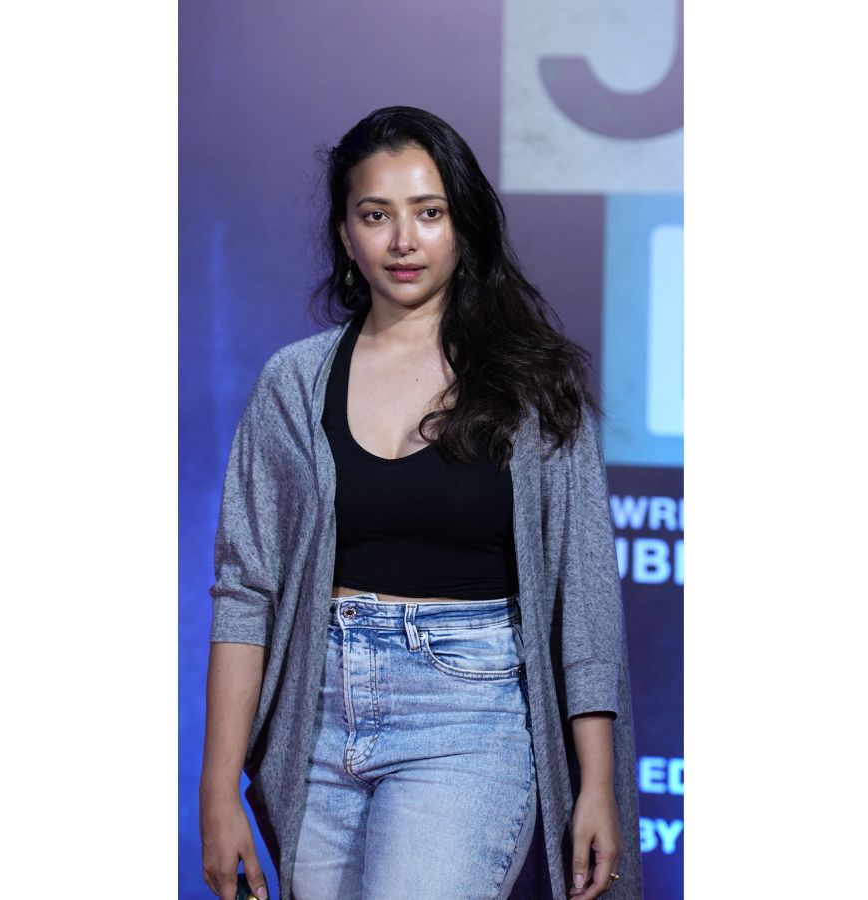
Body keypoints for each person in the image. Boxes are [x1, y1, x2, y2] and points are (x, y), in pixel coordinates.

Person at [199, 106, 642, 900]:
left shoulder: (535, 387)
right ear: (345, 235)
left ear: (462, 225)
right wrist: (217, 789)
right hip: (317, 722)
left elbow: (585, 600)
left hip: (468, 716)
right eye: (376, 216)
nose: (403, 241)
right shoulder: (293, 384)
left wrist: (598, 783)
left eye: (428, 213)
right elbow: (245, 592)